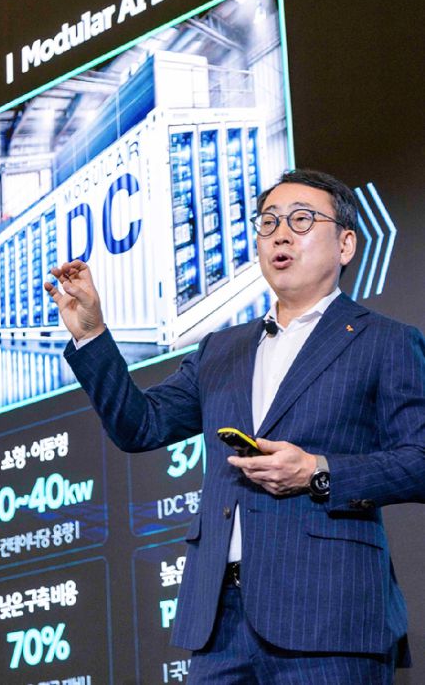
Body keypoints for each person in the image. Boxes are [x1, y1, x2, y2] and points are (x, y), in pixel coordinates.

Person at [44, 168, 425, 684]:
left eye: (301, 220)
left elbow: (419, 461)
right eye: (268, 222)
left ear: (346, 244)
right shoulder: (221, 349)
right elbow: (140, 426)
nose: (281, 234)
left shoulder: (385, 340)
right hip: (219, 625)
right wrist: (91, 334)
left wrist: (318, 470)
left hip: (328, 618)